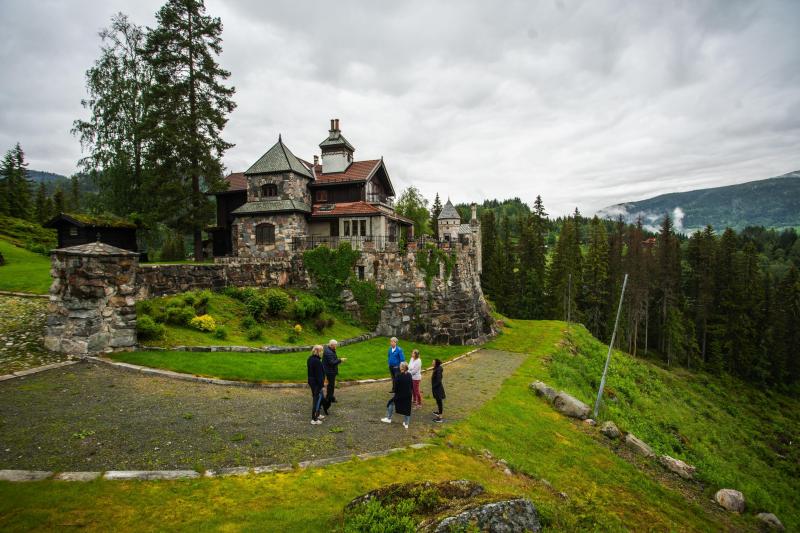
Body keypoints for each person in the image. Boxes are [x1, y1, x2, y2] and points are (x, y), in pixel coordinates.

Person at [381, 362, 413, 429]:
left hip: (400, 395)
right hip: (408, 394)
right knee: (407, 408)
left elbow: (396, 388)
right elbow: (411, 386)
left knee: (390, 403)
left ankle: (388, 418)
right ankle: (406, 423)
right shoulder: (409, 375)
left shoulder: (398, 376)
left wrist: (396, 393)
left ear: (401, 368)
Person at [322, 339, 346, 408]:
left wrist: (338, 360)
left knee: (331, 385)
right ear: (332, 345)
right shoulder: (328, 352)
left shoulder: (329, 350)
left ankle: (330, 397)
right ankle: (329, 398)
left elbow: (332, 360)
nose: (336, 346)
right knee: (331, 386)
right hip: (330, 371)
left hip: (331, 370)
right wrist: (340, 360)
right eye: (335, 345)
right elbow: (332, 363)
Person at [306, 345, 325, 425]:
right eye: (322, 351)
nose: (322, 352)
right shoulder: (317, 361)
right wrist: (321, 384)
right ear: (318, 351)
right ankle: (314, 419)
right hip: (316, 383)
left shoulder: (310, 358)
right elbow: (319, 375)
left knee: (320, 398)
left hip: (312, 381)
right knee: (316, 400)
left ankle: (318, 414)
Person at [431, 358, 445, 423]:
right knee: (437, 401)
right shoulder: (436, 368)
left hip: (438, 389)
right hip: (436, 388)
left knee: (439, 402)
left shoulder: (438, 369)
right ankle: (439, 412)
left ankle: (440, 417)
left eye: (433, 362)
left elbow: (439, 380)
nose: (432, 363)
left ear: (436, 363)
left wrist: (434, 386)